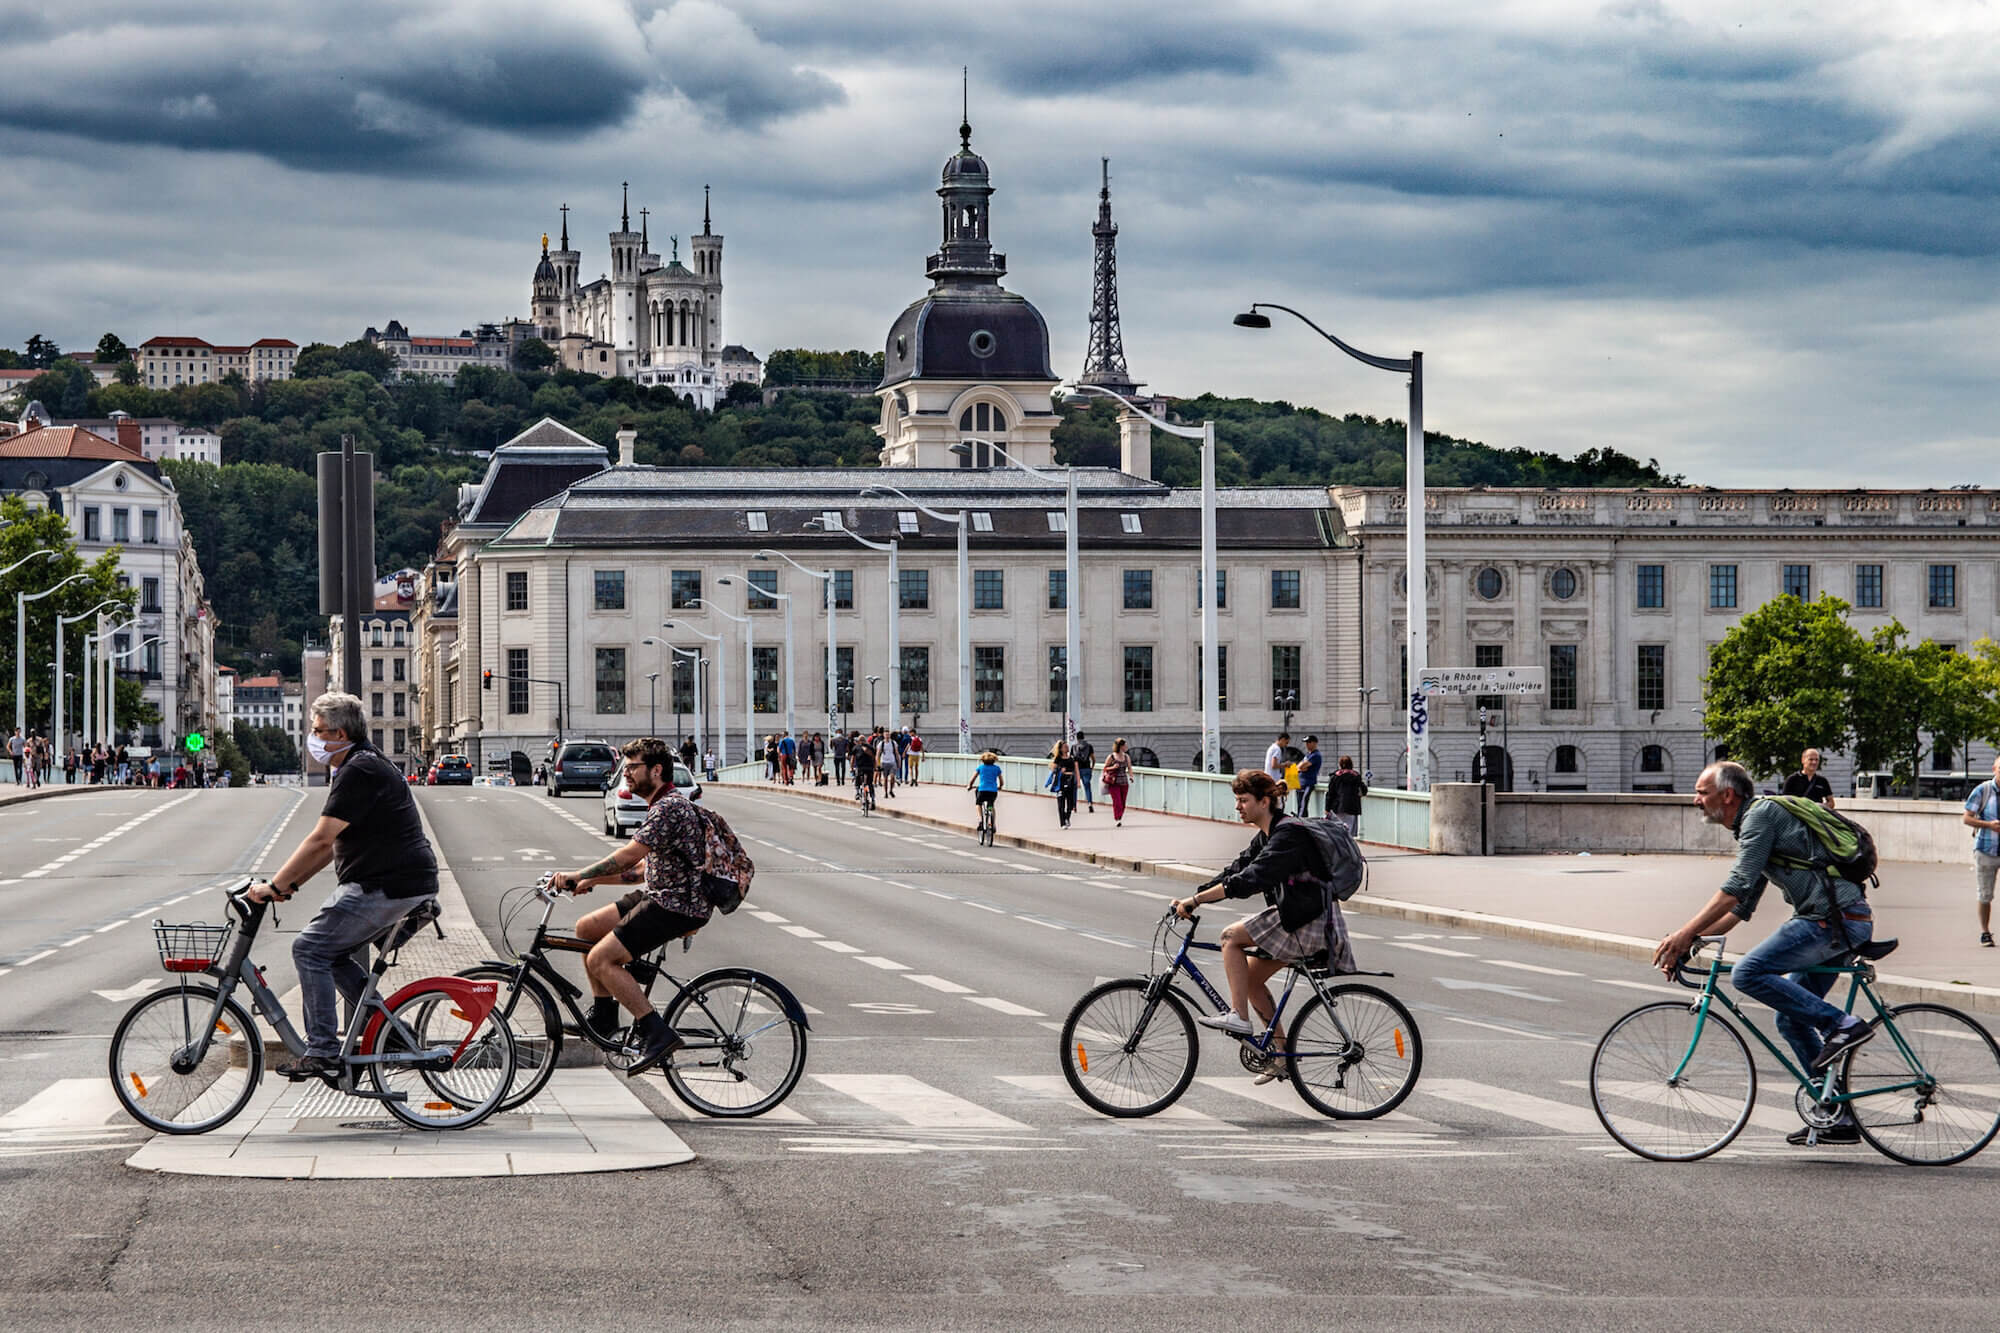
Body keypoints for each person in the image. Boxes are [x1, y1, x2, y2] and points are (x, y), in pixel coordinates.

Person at [1653, 761, 1878, 1146]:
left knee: (1747, 974)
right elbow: (1738, 910)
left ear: (1728, 795)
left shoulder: (1760, 817)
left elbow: (1735, 886)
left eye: (1701, 792)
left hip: (1830, 919)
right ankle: (1835, 1115)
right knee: (1790, 1021)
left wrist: (1684, 932)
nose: (1695, 800)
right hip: (1836, 920)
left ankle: (1843, 1025)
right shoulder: (1753, 826)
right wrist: (1688, 946)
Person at [247, 692, 440, 1082]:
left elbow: (320, 840)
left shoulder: (359, 770)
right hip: (392, 881)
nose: (313, 738)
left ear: (339, 732)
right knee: (330, 955)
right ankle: (392, 1035)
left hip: (389, 885)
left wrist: (274, 885)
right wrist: (289, 886)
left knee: (309, 948)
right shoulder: (357, 764)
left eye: (318, 731)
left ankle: (322, 1050)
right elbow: (332, 846)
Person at [1169, 770, 1356, 1082]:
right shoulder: (1268, 835)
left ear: (1264, 801)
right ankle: (1281, 1057)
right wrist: (1194, 896)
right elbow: (1237, 869)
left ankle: (1239, 1017)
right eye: (1237, 801)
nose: (1238, 807)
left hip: (1310, 922)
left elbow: (1252, 879)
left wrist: (1198, 901)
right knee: (1251, 980)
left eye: (1243, 801)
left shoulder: (1288, 835)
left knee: (1230, 938)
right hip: (1298, 917)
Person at [550, 737, 710, 1076]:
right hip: (659, 893)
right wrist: (591, 881)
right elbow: (639, 871)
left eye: (632, 767)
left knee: (600, 958)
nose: (625, 774)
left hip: (676, 904)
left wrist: (579, 873)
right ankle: (605, 1017)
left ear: (655, 770)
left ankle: (656, 1032)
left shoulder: (669, 808)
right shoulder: (661, 806)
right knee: (587, 929)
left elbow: (628, 855)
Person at [1961, 755, 2000, 947]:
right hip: (1986, 849)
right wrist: (1988, 825)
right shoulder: (1983, 790)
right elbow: (1967, 818)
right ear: (1994, 769)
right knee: (1985, 894)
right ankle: (1985, 932)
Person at [1328, 755, 1367, 836]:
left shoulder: (1335, 776)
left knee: (1338, 831)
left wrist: (1327, 808)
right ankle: (1347, 847)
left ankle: (1339, 847)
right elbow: (1364, 789)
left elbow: (1330, 793)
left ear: (1340, 764)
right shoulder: (1356, 776)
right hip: (1352, 807)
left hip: (1338, 806)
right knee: (1348, 832)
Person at [968, 749, 1004, 828]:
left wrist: (970, 786)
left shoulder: (980, 768)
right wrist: (1000, 786)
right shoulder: (997, 768)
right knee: (991, 805)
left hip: (982, 790)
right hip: (993, 791)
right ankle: (992, 824)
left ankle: (981, 820)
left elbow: (973, 779)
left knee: (978, 803)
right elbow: (1001, 781)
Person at [1102, 738, 1133, 827]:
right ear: (1120, 746)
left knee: (1123, 802)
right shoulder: (1111, 757)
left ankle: (1119, 816)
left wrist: (1131, 776)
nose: (1126, 747)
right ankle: (1117, 818)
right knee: (1117, 801)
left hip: (1124, 782)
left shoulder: (1126, 757)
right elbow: (1105, 768)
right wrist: (1113, 767)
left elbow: (1129, 768)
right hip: (1114, 782)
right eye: (1125, 745)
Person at [1050, 740, 1080, 829]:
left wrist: (1078, 782)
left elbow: (1077, 770)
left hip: (1071, 781)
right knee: (1061, 804)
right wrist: (1059, 769)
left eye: (1067, 746)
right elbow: (1052, 770)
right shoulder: (1058, 759)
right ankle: (1062, 823)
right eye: (1065, 747)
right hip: (1061, 783)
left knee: (1071, 803)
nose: (1067, 748)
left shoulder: (1072, 758)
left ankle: (1067, 817)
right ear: (1060, 749)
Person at [1294, 736, 1324, 817]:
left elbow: (1301, 766)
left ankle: (1302, 823)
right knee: (1299, 806)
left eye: (1309, 742)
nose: (1307, 745)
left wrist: (1301, 767)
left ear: (1314, 743)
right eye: (1306, 743)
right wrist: (1301, 767)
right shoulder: (1308, 754)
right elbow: (1298, 767)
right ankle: (1301, 822)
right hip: (1300, 783)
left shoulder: (1316, 755)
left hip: (1308, 783)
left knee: (1303, 806)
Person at [1074, 733, 1097, 814]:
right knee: (1087, 787)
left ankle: (1074, 806)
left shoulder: (1074, 747)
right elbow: (1093, 759)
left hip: (1077, 769)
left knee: (1074, 788)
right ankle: (1090, 804)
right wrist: (1091, 768)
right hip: (1087, 768)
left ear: (1077, 738)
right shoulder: (1089, 746)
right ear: (1084, 737)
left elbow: (1073, 760)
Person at [851, 731, 876, 799]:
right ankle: (872, 797)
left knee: (857, 779)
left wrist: (851, 768)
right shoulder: (871, 747)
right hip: (869, 768)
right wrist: (875, 767)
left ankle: (858, 792)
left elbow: (852, 759)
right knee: (870, 783)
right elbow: (874, 758)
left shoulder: (856, 748)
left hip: (860, 767)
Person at [876, 729, 898, 799]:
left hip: (892, 761)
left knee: (892, 777)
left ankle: (891, 790)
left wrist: (899, 761)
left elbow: (896, 753)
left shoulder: (893, 743)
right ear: (884, 735)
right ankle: (885, 792)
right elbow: (878, 754)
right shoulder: (881, 744)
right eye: (886, 735)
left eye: (888, 734)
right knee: (885, 779)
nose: (887, 736)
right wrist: (877, 764)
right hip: (884, 762)